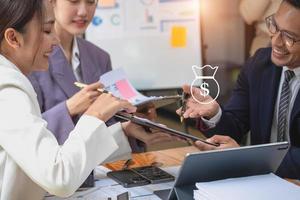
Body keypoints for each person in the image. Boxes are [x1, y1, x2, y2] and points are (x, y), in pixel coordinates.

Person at [0, 0, 174, 199]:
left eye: (91, 2)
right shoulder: (8, 87)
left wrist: (123, 131)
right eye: (48, 30)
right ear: (13, 38)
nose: (54, 40)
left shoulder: (97, 56)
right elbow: (58, 174)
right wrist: (93, 115)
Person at [178, 0, 300, 179]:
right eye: (274, 26)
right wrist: (214, 113)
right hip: (260, 184)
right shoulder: (259, 64)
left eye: (289, 37)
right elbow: (233, 129)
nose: (276, 41)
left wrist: (248, 158)